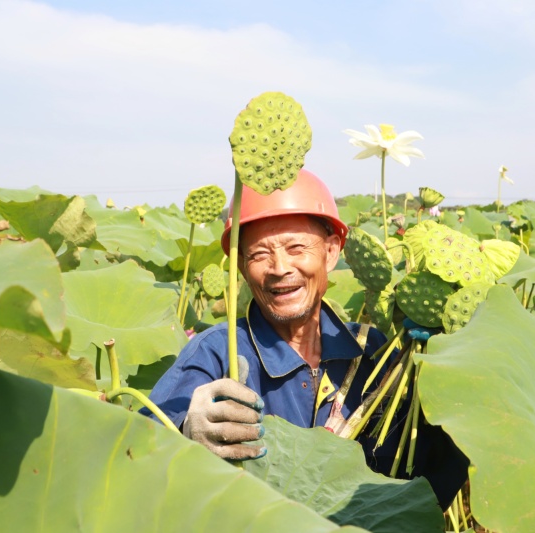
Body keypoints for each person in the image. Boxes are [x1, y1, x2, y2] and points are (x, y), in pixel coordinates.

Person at [143, 169, 468, 507]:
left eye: (296, 248)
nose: (280, 267)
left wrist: (451, 359)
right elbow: (135, 454)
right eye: (259, 254)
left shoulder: (375, 354)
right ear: (240, 266)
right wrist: (183, 433)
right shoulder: (215, 353)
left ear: (331, 252)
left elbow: (426, 482)